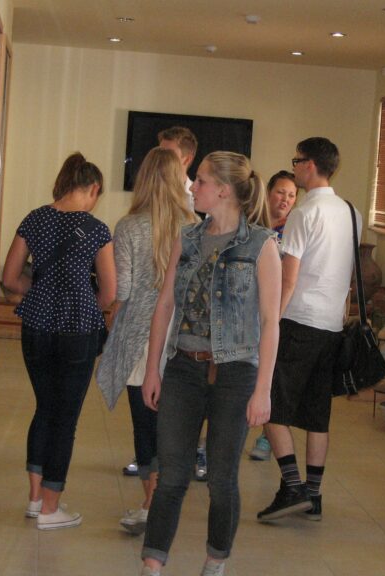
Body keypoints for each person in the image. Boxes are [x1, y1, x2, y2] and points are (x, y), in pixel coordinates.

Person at [139, 151, 281, 576]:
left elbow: (271, 322)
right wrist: (152, 368)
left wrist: (263, 390)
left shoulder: (261, 245)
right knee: (171, 473)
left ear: (223, 190)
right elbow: (165, 305)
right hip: (183, 367)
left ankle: (216, 561)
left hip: (236, 373)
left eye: (199, 180)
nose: (192, 187)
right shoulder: (187, 237)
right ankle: (152, 565)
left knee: (221, 478)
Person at [2, 152, 116, 530]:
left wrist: (39, 292)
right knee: (66, 419)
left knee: (44, 408)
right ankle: (51, 509)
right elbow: (109, 293)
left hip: (36, 326)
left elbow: (9, 278)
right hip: (78, 331)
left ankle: (35, 499)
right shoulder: (97, 230)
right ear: (93, 188)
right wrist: (82, 302)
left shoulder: (35, 219)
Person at [257, 137, 360, 523]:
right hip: (332, 325)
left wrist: (270, 323)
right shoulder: (351, 212)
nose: (295, 167)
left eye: (297, 161)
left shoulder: (304, 213)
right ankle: (313, 496)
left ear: (310, 166)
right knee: (318, 414)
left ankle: (291, 486)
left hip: (299, 320)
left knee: (270, 405)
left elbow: (289, 279)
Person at [95, 148, 196, 535]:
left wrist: (110, 319)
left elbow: (121, 289)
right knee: (175, 425)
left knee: (145, 423)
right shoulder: (194, 225)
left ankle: (151, 502)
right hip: (181, 336)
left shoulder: (129, 225)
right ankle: (164, 501)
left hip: (140, 336)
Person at [249, 170, 297, 462]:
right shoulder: (254, 225)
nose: (285, 200)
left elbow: (290, 279)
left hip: (279, 314)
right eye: (280, 192)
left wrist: (273, 320)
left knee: (273, 377)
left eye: (291, 195)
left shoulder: (293, 230)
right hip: (249, 310)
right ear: (268, 194)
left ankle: (267, 437)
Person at [158, 126, 198, 213]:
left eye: (169, 155)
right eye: (159, 153)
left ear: (187, 159)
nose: (160, 159)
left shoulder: (199, 198)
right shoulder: (148, 194)